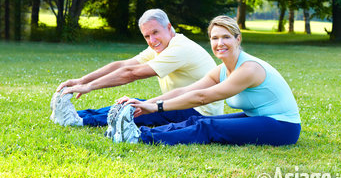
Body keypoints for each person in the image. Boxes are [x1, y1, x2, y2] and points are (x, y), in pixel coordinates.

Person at [120, 15, 301, 146]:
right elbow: (186, 91)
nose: (220, 43)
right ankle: (138, 132)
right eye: (215, 38)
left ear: (238, 39)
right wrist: (143, 105)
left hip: (282, 126)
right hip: (259, 118)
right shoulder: (222, 70)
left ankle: (139, 138)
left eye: (226, 37)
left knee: (207, 126)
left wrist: (156, 107)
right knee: (194, 121)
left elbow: (202, 97)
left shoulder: (249, 69)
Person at [53, 9, 223, 127]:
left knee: (134, 109)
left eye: (155, 32)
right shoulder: (162, 45)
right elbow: (124, 65)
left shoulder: (180, 49)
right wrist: (82, 80)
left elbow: (131, 74)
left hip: (199, 113)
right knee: (132, 104)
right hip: (179, 104)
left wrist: (89, 87)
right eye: (147, 36)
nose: (152, 40)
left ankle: (79, 121)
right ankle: (76, 115)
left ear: (169, 28)